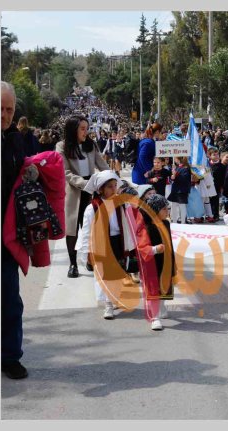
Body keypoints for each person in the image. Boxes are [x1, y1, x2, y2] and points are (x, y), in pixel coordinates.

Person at [75, 171, 138, 321]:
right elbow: (86, 231)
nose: (114, 189)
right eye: (110, 186)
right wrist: (88, 251)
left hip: (118, 242)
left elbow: (129, 223)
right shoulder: (93, 208)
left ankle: (114, 298)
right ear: (100, 189)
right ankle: (108, 305)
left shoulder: (122, 204)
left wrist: (132, 244)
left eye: (115, 186)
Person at [56, 115, 110, 278]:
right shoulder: (61, 146)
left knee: (91, 228)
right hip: (73, 191)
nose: (86, 132)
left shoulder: (90, 145)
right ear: (73, 129)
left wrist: (112, 179)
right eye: (82, 129)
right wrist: (84, 183)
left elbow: (102, 165)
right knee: (72, 229)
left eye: (87, 128)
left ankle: (89, 259)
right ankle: (73, 264)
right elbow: (65, 172)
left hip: (91, 191)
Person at [1, 81, 28, 379]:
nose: (4, 115)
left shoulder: (15, 140)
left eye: (9, 109)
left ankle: (10, 357)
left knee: (10, 298)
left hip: (6, 235)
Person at [136, 194, 176, 331]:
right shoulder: (146, 227)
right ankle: (155, 318)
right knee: (153, 291)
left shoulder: (166, 223)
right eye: (164, 209)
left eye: (167, 208)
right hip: (151, 264)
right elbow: (142, 247)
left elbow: (170, 243)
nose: (167, 211)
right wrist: (154, 249)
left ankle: (161, 307)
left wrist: (173, 263)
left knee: (163, 287)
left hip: (165, 262)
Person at [168, 157, 192, 224]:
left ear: (178, 159)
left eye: (175, 158)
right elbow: (173, 178)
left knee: (182, 206)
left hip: (182, 190)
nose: (174, 159)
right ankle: (174, 221)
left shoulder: (186, 168)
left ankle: (183, 222)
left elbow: (184, 179)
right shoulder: (177, 167)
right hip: (175, 189)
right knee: (174, 205)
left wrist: (175, 174)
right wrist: (172, 176)